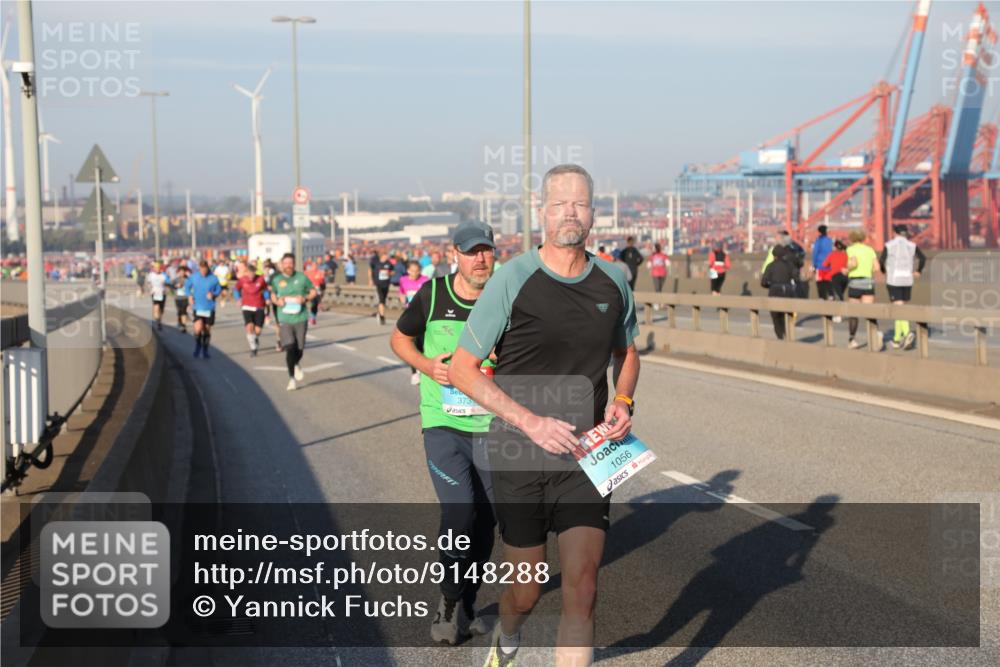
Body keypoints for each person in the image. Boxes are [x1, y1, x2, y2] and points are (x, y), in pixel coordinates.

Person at [449, 164, 640, 667]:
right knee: (527, 593)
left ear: (594, 213)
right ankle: (507, 637)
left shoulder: (613, 282)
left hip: (587, 457)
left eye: (579, 203)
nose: (569, 213)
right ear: (542, 214)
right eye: (559, 204)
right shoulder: (513, 278)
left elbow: (629, 352)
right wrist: (530, 422)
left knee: (583, 588)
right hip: (520, 455)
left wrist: (622, 401)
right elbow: (463, 369)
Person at [390, 221, 498, 644]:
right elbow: (399, 338)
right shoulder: (433, 295)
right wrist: (426, 365)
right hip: (444, 424)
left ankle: (468, 601)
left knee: (488, 521)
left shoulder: (503, 301)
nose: (480, 259)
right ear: (455, 254)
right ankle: (449, 599)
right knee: (460, 513)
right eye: (472, 252)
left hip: (491, 428)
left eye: (486, 250)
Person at [270, 253, 317, 390]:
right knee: (290, 348)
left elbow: (313, 291)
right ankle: (291, 379)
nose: (288, 266)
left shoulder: (302, 278)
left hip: (301, 318)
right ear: (282, 265)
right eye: (286, 263)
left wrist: (305, 298)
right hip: (284, 319)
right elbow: (272, 294)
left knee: (300, 348)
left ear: (294, 264)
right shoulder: (277, 279)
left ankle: (296, 364)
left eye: (290, 263)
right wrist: (277, 301)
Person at [880, 224, 926, 350]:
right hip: (907, 280)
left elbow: (881, 260)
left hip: (894, 280)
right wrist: (919, 271)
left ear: (895, 233)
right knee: (900, 309)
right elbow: (923, 258)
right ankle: (896, 339)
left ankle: (907, 334)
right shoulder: (912, 245)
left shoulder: (889, 245)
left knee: (898, 309)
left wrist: (884, 271)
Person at [845, 228, 883, 351]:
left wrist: (848, 269)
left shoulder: (849, 249)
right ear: (863, 238)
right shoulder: (870, 250)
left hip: (855, 282)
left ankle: (852, 339)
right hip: (868, 282)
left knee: (853, 313)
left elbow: (852, 263)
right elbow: (877, 267)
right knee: (869, 312)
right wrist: (867, 269)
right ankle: (876, 335)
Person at [398, 260, 431, 385]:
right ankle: (414, 372)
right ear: (408, 271)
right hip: (410, 316)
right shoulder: (403, 280)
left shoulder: (425, 279)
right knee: (411, 345)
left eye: (417, 270)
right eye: (412, 270)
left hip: (424, 316)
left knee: (423, 344)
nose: (415, 273)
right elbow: (401, 292)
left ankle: (423, 368)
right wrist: (403, 301)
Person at [185, 260, 222, 358]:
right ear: (199, 268)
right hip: (197, 306)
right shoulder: (194, 277)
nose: (203, 272)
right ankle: (198, 346)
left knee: (207, 330)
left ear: (207, 268)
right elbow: (187, 286)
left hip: (209, 307)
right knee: (198, 328)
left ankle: (205, 350)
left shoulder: (213, 278)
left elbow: (219, 289)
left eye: (205, 269)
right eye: (201, 270)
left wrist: (213, 294)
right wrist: (189, 296)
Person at [761, 245, 798, 340]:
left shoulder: (770, 266)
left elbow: (763, 282)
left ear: (774, 255)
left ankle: (781, 337)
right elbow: (796, 277)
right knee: (787, 316)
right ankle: (788, 335)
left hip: (775, 292)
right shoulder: (789, 265)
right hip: (788, 292)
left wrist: (770, 286)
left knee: (776, 317)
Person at [235, 260, 268, 357]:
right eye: (249, 273)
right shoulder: (242, 280)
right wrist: (238, 299)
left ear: (255, 272)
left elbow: (265, 290)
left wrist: (267, 298)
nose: (251, 275)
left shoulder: (261, 279)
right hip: (247, 306)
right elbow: (236, 289)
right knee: (249, 326)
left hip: (259, 306)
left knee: (257, 330)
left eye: (252, 273)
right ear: (246, 273)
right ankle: (253, 348)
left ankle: (255, 338)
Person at [823, 239, 849, 323]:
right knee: (840, 294)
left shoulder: (832, 254)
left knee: (838, 296)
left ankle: (838, 315)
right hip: (845, 277)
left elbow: (825, 265)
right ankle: (837, 313)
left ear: (835, 247)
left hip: (835, 277)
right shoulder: (845, 254)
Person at [371, 249, 394, 326]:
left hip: (386, 284)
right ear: (382, 256)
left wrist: (389, 273)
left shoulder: (389, 263)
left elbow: (392, 271)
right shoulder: (376, 263)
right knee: (381, 300)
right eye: (385, 255)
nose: (386, 256)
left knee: (383, 299)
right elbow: (370, 270)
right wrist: (370, 279)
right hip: (379, 284)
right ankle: (382, 316)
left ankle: (380, 313)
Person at [145, 260, 169, 331]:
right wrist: (150, 288)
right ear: (154, 268)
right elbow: (148, 283)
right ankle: (158, 321)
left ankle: (159, 320)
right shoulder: (151, 275)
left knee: (161, 310)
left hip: (162, 293)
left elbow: (168, 283)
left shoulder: (164, 275)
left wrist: (166, 287)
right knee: (156, 307)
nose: (157, 269)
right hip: (155, 293)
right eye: (156, 268)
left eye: (158, 268)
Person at [812, 225, 834, 301]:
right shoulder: (830, 241)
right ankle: (831, 295)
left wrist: (814, 265)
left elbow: (815, 253)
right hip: (829, 266)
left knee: (820, 282)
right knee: (828, 281)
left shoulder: (818, 241)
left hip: (819, 265)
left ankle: (822, 297)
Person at [305, 261, 327, 326]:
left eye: (316, 265)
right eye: (313, 265)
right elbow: (304, 280)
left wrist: (322, 289)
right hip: (310, 290)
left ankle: (313, 317)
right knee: (313, 303)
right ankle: (310, 317)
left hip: (317, 289)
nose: (315, 266)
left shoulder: (320, 272)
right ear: (311, 266)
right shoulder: (307, 272)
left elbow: (323, 282)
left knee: (315, 303)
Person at [172, 265, 191, 333]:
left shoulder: (188, 279)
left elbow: (192, 287)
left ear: (185, 272)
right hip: (178, 298)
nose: (182, 273)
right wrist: (175, 286)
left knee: (184, 311)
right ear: (179, 272)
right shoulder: (176, 279)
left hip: (185, 297)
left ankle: (184, 325)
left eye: (183, 272)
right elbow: (171, 286)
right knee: (179, 311)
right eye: (181, 272)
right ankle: (180, 322)